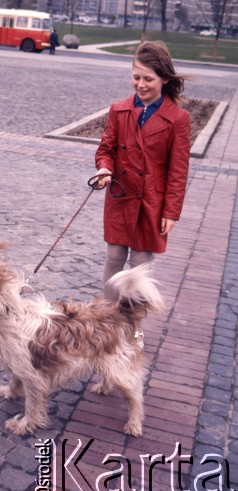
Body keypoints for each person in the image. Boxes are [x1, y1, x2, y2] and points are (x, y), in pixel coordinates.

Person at [94, 41, 191, 343]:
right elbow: (106, 149)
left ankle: (132, 326)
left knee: (140, 266)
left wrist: (171, 211)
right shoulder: (119, 110)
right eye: (136, 77)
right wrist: (104, 168)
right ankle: (108, 321)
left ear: (164, 79)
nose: (141, 84)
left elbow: (178, 171)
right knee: (114, 256)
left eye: (148, 78)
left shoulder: (178, 119)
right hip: (121, 196)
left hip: (151, 203)